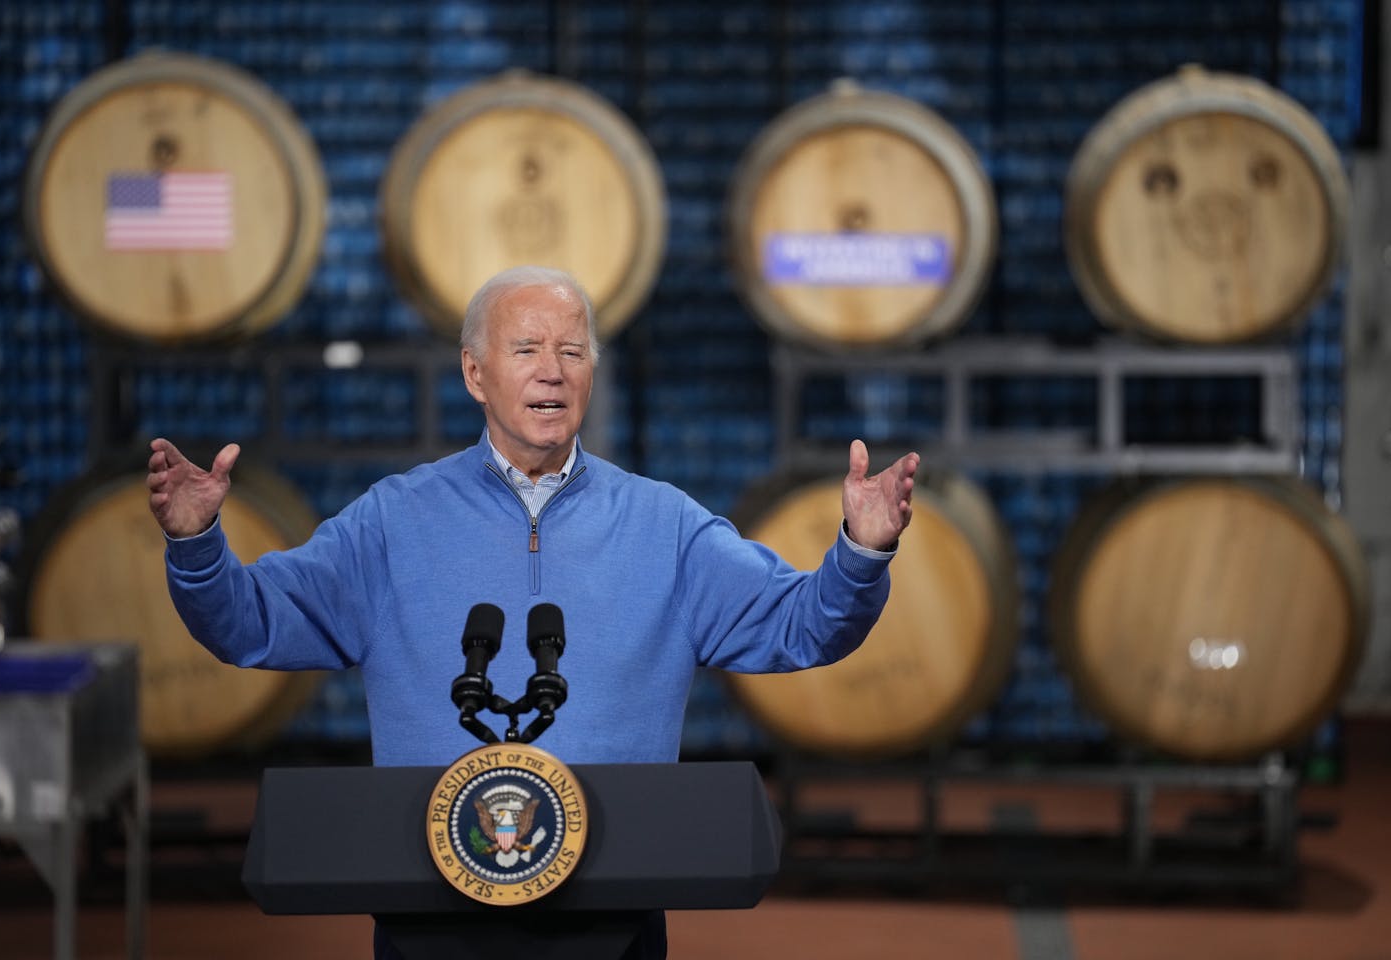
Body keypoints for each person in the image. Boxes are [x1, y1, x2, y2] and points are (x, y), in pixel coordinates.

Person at [147, 264, 919, 958]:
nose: (552, 371)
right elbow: (249, 623)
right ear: (475, 373)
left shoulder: (666, 525)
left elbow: (804, 624)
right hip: (429, 911)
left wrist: (861, 549)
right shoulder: (392, 521)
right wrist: (197, 543)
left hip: (612, 913)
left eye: (572, 352)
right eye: (526, 350)